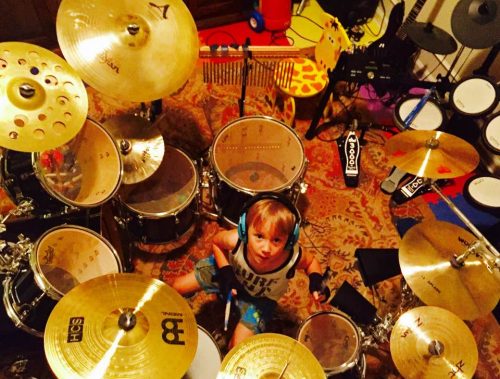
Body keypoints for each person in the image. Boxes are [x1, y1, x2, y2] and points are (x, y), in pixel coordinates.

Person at [172, 192, 329, 350]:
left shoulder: (292, 256)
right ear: (244, 230)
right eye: (259, 236)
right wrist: (226, 271)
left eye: (276, 240)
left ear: (290, 240)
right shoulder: (236, 240)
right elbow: (217, 243)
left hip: (260, 298)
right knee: (177, 287)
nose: (266, 249)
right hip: (227, 273)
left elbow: (311, 262)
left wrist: (316, 279)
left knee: (237, 347)